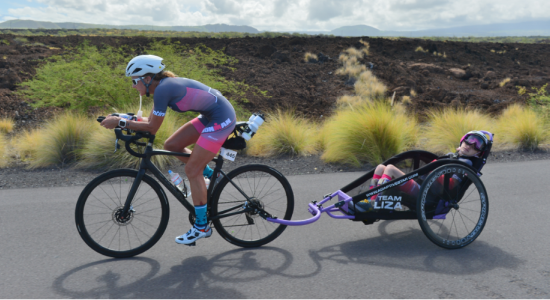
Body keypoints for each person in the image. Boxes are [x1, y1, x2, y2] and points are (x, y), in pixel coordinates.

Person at [100, 55, 236, 245]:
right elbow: (148, 121)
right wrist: (122, 117)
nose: (132, 86)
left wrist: (120, 123)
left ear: (147, 79)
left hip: (221, 118)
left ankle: (202, 226)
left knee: (191, 170)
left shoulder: (163, 89)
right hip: (210, 115)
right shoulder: (161, 88)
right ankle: (213, 176)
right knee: (171, 146)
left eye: (134, 81)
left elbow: (152, 129)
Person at [355, 131, 489, 212]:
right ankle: (368, 199)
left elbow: (450, 185)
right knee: (380, 167)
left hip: (426, 194)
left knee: (390, 168)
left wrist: (433, 172)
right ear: (462, 141)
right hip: (421, 185)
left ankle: (373, 203)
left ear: (478, 153)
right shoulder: (451, 157)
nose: (470, 145)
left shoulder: (465, 164)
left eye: (476, 145)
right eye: (469, 140)